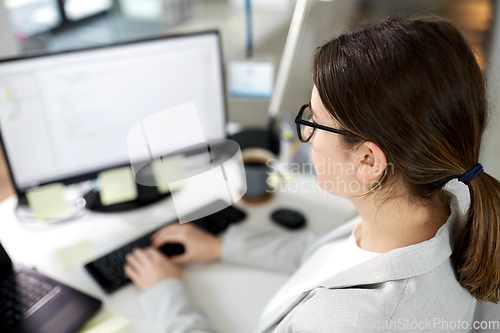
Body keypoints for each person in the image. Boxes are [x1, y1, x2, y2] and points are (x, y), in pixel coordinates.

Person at [123, 15, 500, 332]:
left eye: (316, 122)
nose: (308, 137)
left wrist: (166, 294)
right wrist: (223, 246)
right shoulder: (442, 204)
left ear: (369, 160)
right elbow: (330, 254)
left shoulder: (353, 323)